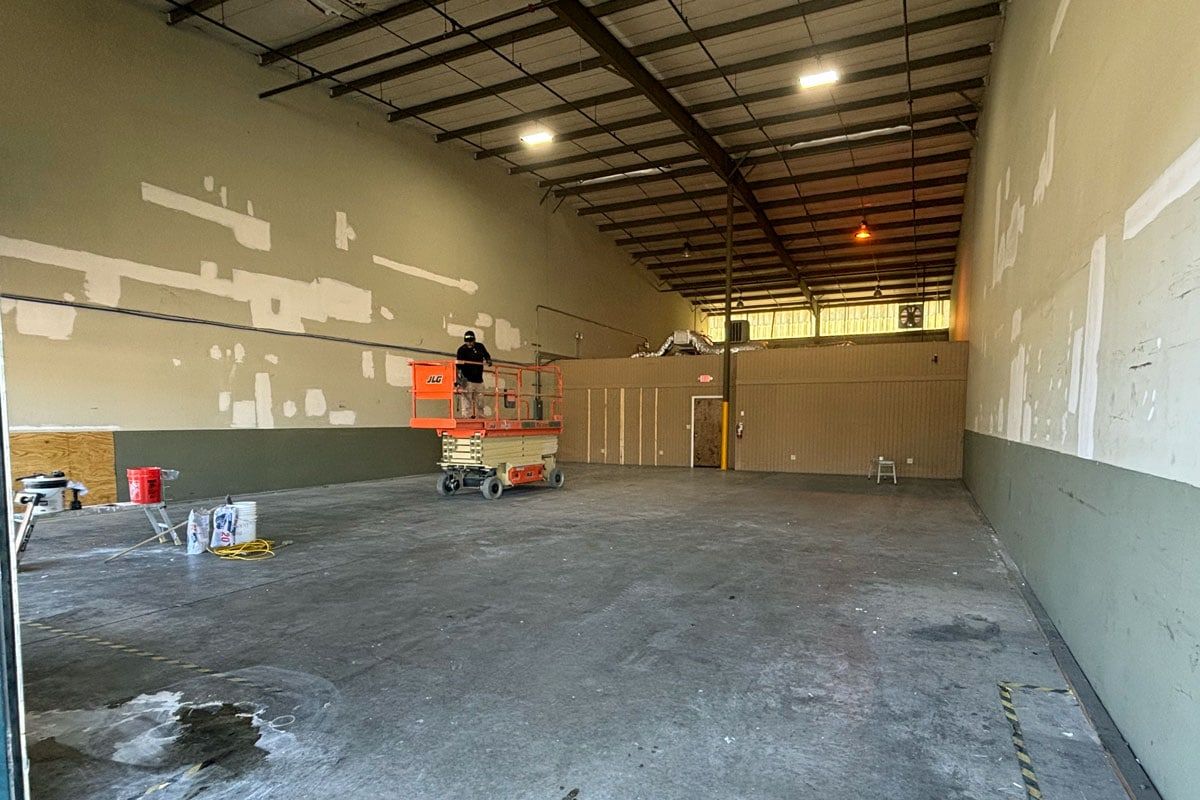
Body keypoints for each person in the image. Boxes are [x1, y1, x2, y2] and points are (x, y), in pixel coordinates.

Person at [455, 330, 492, 418]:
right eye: (467, 342)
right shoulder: (462, 350)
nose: (469, 344)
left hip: (479, 380)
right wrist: (457, 380)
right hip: (467, 380)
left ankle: (481, 416)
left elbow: (486, 355)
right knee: (467, 400)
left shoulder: (480, 346)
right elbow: (458, 366)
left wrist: (488, 360)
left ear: (474, 340)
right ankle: (466, 417)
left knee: (480, 401)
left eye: (471, 341)